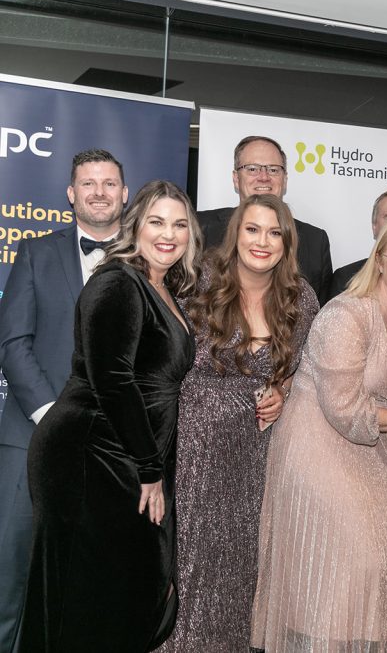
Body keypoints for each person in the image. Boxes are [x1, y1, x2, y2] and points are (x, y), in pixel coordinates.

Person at [19, 180, 203, 652]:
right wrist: (149, 469)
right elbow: (114, 381)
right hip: (91, 455)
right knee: (89, 599)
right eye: (156, 222)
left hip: (129, 456)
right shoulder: (118, 281)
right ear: (135, 225)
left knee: (123, 596)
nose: (169, 234)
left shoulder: (163, 287)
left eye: (179, 224)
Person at [251, 219, 387, 652]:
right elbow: (344, 410)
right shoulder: (345, 314)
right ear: (379, 260)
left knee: (385, 556)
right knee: (349, 560)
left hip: (377, 449)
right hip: (318, 444)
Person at [157, 195, 319, 652]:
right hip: (194, 451)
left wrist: (283, 390)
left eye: (274, 233)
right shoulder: (198, 281)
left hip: (257, 458)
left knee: (243, 569)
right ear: (235, 234)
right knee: (190, 564)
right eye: (252, 229)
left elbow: (305, 370)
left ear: (287, 243)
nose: (262, 242)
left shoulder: (301, 298)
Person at [0, 148, 129, 653]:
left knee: (88, 582)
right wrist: (56, 417)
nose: (99, 192)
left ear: (124, 193)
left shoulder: (145, 263)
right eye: (88, 183)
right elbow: (13, 343)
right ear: (71, 194)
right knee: (9, 574)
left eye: (109, 183)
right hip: (30, 438)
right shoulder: (35, 253)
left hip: (110, 452)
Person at [197, 135, 333, 305]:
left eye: (273, 170)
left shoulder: (315, 241)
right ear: (236, 179)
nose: (263, 177)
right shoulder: (201, 227)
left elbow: (321, 315)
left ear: (284, 180)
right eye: (252, 169)